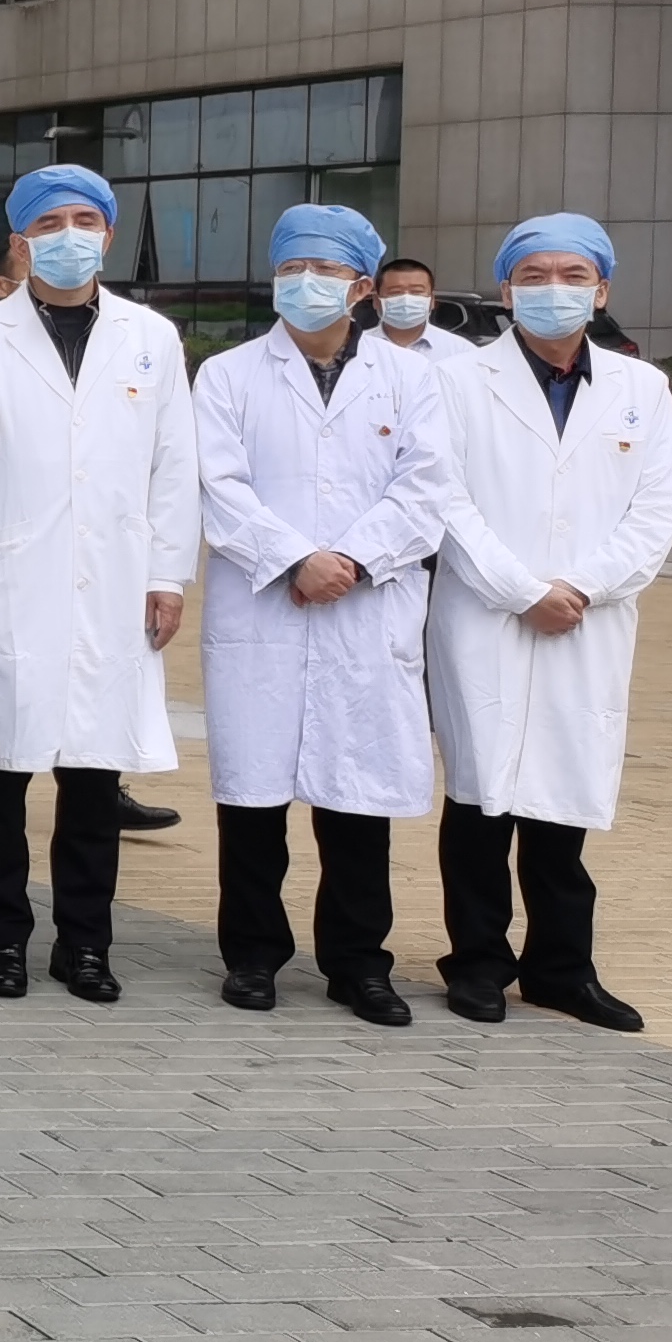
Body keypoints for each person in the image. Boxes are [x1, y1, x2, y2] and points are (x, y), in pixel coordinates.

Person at [425, 214, 672, 1030]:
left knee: (562, 801)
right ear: (506, 291)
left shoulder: (641, 390)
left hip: (587, 619)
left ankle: (560, 969)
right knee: (481, 799)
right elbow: (443, 499)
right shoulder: (457, 380)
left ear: (602, 291)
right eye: (534, 275)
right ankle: (477, 962)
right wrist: (520, 590)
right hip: (486, 612)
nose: (554, 290)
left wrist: (579, 587)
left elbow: (659, 509)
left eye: (574, 276)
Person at [194, 202, 454, 1023]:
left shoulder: (413, 378)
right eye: (292, 269)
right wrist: (295, 561)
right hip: (264, 605)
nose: (306, 283)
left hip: (365, 607)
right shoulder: (228, 375)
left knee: (357, 803)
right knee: (253, 802)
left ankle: (358, 964)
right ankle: (253, 957)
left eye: (327, 270)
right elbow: (218, 486)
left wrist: (352, 560)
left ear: (363, 288)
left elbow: (427, 487)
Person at [0, 165, 199, 1004]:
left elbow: (175, 464)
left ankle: (85, 944)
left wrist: (168, 574)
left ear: (108, 234)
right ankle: (2, 941)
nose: (69, 237)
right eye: (49, 224)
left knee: (95, 778)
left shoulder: (151, 337)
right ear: (20, 242)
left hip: (115, 583)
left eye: (85, 222)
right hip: (5, 578)